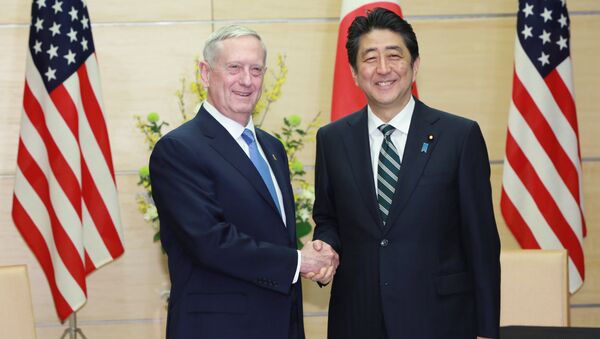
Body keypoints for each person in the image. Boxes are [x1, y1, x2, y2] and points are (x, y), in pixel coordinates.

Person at [312, 8, 500, 339]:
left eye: (394, 56)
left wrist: (486, 330)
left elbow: (481, 244)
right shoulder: (332, 140)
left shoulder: (459, 136)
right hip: (357, 320)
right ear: (355, 73)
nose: (383, 69)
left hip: (440, 320)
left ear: (414, 65)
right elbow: (329, 219)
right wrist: (325, 247)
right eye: (369, 58)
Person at [150, 25, 337, 339]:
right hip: (217, 329)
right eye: (234, 68)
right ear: (205, 73)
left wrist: (316, 254)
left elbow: (274, 234)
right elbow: (210, 242)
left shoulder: (273, 148)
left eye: (256, 69)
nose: (247, 81)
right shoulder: (179, 149)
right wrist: (298, 262)